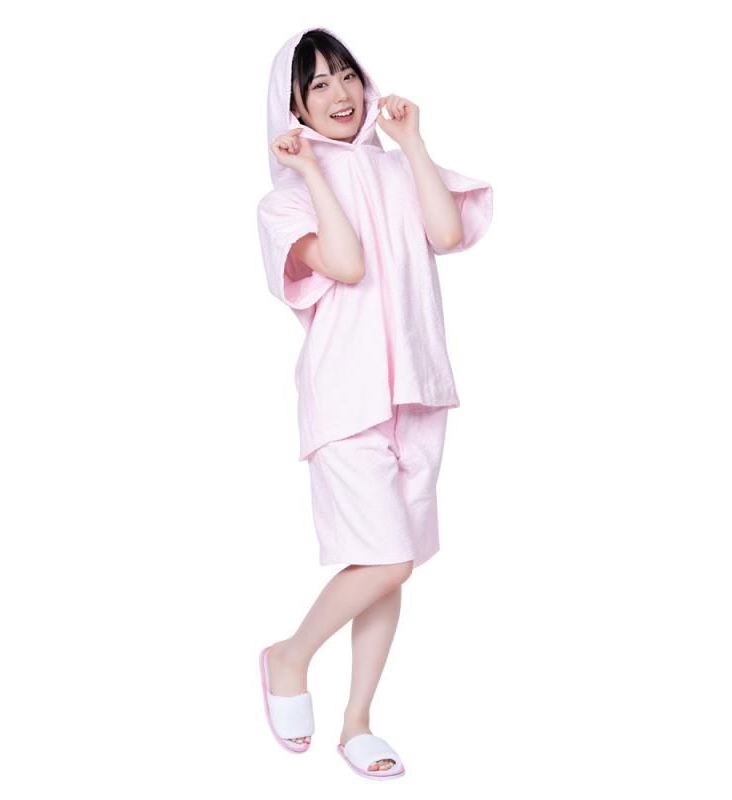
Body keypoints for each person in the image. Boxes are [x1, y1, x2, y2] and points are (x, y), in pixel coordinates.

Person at [256, 26, 493, 779]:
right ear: (293, 106)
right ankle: (289, 657)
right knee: (386, 560)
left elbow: (447, 232)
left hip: (416, 390)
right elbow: (347, 264)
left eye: (347, 75)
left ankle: (357, 721)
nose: (340, 94)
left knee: (391, 563)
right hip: (347, 397)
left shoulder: (397, 168)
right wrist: (311, 169)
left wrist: (411, 142)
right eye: (318, 84)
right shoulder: (286, 201)